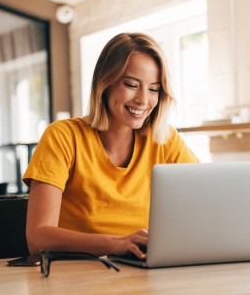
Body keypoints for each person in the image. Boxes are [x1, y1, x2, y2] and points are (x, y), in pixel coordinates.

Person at [23, 32, 198, 260]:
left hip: (142, 270)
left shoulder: (165, 140)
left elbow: (203, 206)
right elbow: (37, 239)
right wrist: (115, 243)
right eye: (131, 85)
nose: (143, 100)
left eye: (154, 89)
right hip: (79, 275)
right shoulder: (63, 136)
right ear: (105, 83)